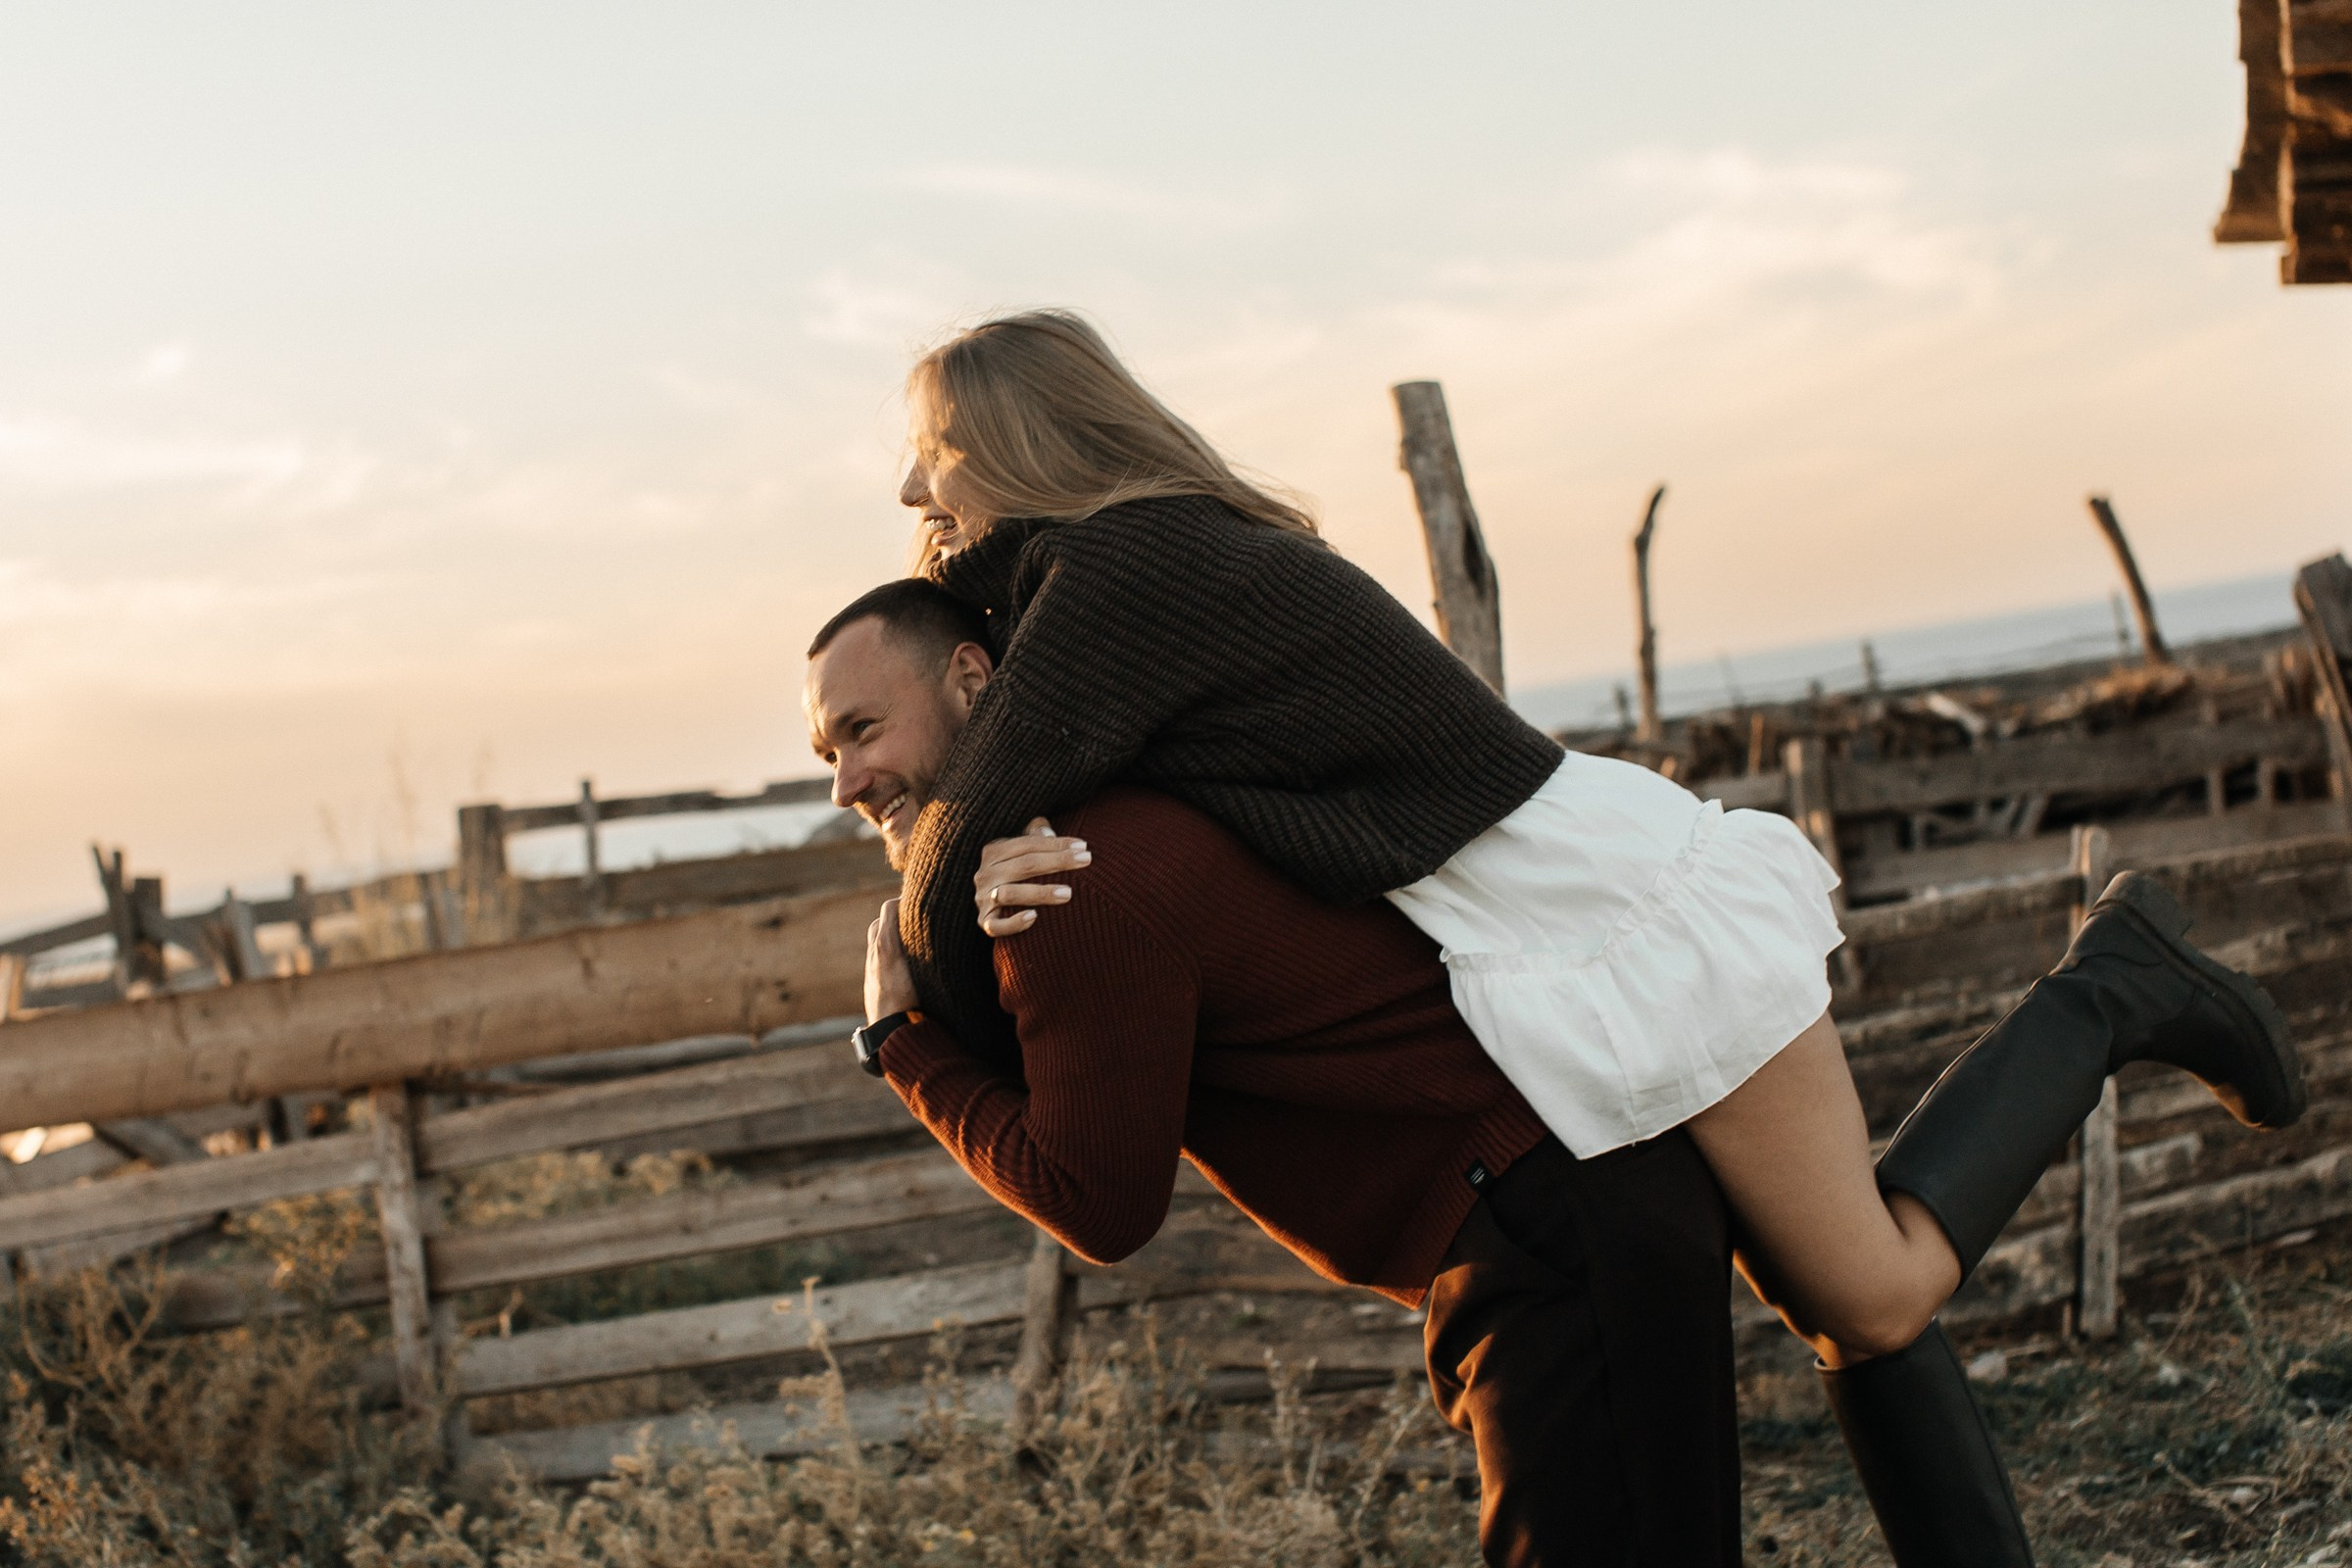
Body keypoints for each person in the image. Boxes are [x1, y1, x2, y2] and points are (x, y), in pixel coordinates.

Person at [878, 310, 2307, 1568]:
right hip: (1537, 952)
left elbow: (967, 829)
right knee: (1846, 1309)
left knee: (1871, 1296)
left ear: (1017, 439)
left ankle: (2114, 989)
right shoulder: (1129, 575)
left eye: (930, 453)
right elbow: (1047, 792)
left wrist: (906, 968)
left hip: (1612, 917)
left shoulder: (1127, 570)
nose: (907, 489)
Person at [805, 580, 1749, 1566]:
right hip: (1553, 1215)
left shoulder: (1071, 879)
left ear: (968, 677)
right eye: (829, 756)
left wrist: (900, 1043)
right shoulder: (1124, 806)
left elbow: (1096, 1203)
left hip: (1548, 1227)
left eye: (863, 730)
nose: (846, 783)